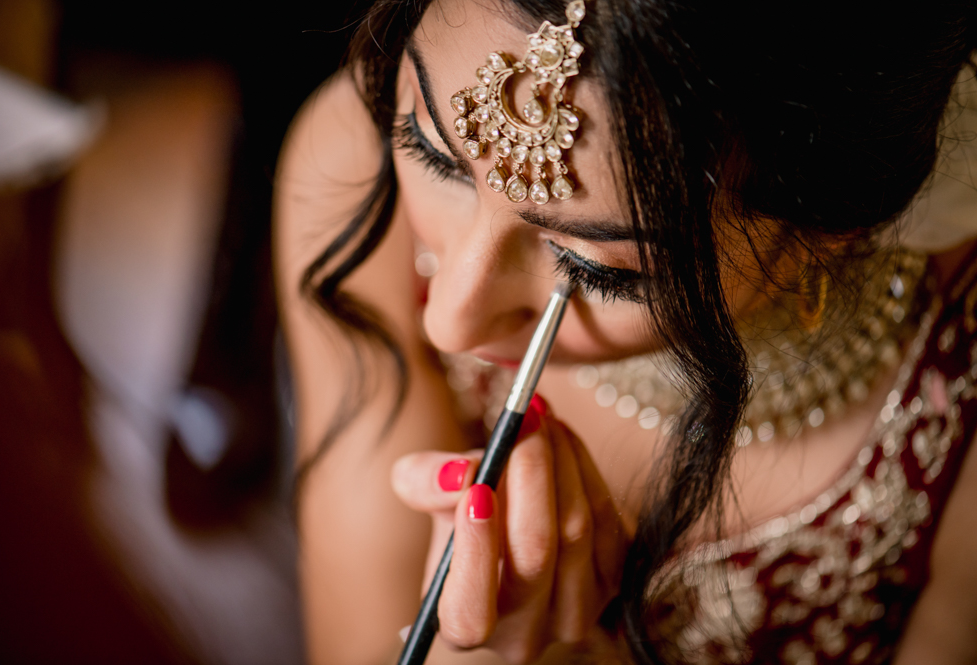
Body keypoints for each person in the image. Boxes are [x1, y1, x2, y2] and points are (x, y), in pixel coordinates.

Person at [274, 0, 977, 662]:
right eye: (435, 156)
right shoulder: (354, 168)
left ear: (835, 229)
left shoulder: (958, 398)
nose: (448, 317)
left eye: (593, 267)